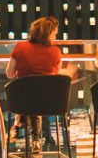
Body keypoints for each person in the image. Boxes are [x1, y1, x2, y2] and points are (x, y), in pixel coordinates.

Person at [6, 16, 68, 148]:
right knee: (36, 95)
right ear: (48, 33)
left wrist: (23, 72)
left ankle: (18, 124)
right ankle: (35, 139)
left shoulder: (20, 47)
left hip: (21, 102)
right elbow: (55, 75)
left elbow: (9, 74)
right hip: (48, 103)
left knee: (29, 95)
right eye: (54, 34)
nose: (55, 38)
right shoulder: (56, 51)